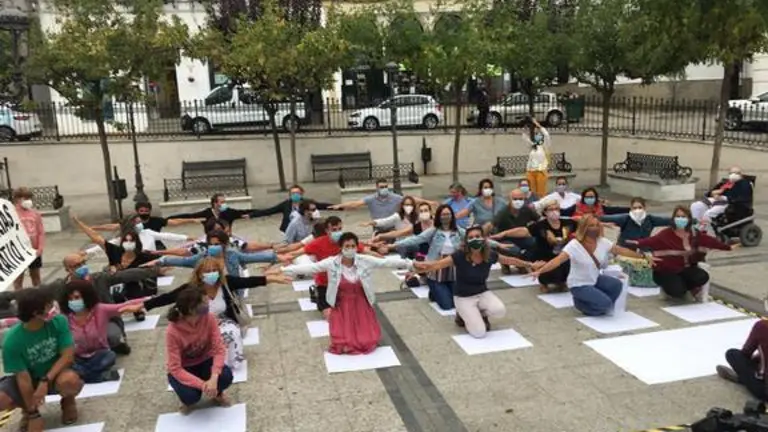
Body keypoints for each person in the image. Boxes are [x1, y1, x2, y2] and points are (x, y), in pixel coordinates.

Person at [277, 232, 413, 354]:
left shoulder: (364, 260)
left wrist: (410, 264)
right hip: (341, 303)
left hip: (361, 301)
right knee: (344, 341)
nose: (350, 249)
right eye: (347, 246)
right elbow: (311, 267)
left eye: (353, 246)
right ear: (340, 247)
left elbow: (386, 263)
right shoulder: (332, 262)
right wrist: (283, 270)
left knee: (366, 339)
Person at [143, 258, 288, 370]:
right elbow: (169, 297)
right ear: (199, 274)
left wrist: (272, 279)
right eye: (206, 271)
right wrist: (145, 305)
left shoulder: (226, 283)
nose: (211, 274)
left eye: (214, 270)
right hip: (200, 324)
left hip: (224, 321)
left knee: (230, 333)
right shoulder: (191, 289)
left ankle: (230, 363)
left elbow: (248, 281)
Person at [0, 252, 159, 355]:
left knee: (111, 336)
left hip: (104, 320)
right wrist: (8, 296)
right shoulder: (59, 286)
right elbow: (37, 291)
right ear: (68, 269)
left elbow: (125, 276)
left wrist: (152, 270)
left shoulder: (99, 279)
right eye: (77, 265)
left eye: (83, 262)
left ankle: (115, 344)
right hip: (73, 323)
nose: (83, 267)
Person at [415, 226, 534, 338]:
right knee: (479, 333)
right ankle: (461, 315)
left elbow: (509, 260)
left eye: (478, 236)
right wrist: (419, 267)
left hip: (482, 292)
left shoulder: (490, 255)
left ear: (483, 239)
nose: (475, 239)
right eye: (471, 237)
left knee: (499, 311)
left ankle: (482, 314)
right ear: (466, 241)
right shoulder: (459, 256)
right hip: (463, 297)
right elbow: (437, 265)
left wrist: (530, 264)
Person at [530, 215, 650, 316]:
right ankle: (582, 304)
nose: (595, 228)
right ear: (584, 228)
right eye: (591, 226)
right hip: (579, 284)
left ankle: (595, 300)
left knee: (617, 285)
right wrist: (540, 271)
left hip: (594, 278)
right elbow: (558, 260)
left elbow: (620, 250)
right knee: (606, 305)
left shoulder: (602, 242)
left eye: (597, 225)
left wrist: (643, 257)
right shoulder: (574, 245)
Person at [0, 288, 84, 431]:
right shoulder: (11, 341)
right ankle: (27, 410)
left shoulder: (59, 322)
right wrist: (33, 414)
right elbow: (23, 378)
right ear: (36, 313)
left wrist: (45, 381)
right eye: (49, 306)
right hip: (30, 377)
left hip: (57, 373)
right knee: (2, 399)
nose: (53, 308)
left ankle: (68, 401)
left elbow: (67, 356)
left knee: (69, 381)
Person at [629, 206, 735, 300]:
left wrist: (728, 247)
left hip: (686, 269)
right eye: (678, 216)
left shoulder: (694, 234)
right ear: (674, 219)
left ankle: (685, 288)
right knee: (678, 291)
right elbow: (650, 241)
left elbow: (710, 241)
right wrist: (634, 243)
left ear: (689, 219)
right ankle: (675, 289)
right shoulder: (666, 234)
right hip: (665, 270)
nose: (680, 219)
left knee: (702, 276)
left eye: (683, 217)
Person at [60, 280, 144, 383]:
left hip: (99, 354)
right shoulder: (64, 317)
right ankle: (96, 376)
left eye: (77, 297)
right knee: (67, 362)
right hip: (77, 357)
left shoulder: (100, 309)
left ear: (86, 296)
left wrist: (149, 300)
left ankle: (84, 376)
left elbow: (123, 306)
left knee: (110, 356)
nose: (73, 301)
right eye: (70, 299)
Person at [166, 288, 233, 413]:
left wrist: (213, 378)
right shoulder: (172, 331)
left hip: (205, 360)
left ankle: (217, 393)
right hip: (185, 368)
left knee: (225, 377)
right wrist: (203, 385)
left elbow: (219, 349)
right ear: (191, 309)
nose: (208, 303)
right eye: (204, 302)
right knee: (190, 397)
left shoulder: (209, 318)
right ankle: (187, 400)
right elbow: (175, 368)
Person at [284, 217, 367, 316]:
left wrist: (381, 253)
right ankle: (317, 293)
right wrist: (282, 259)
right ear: (327, 231)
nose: (338, 232)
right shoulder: (318, 243)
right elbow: (297, 253)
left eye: (340, 229)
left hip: (344, 283)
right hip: (324, 284)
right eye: (334, 230)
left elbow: (365, 250)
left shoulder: (347, 241)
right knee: (329, 315)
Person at [390, 205, 464, 310]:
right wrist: (393, 245)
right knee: (447, 305)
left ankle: (442, 290)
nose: (446, 216)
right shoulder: (434, 230)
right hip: (435, 269)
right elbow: (416, 239)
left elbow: (480, 240)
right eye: (443, 214)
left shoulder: (459, 231)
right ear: (438, 216)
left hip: (453, 269)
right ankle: (433, 289)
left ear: (452, 215)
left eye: (448, 214)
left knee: (457, 304)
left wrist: (495, 245)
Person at [493, 200, 575, 291]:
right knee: (547, 270)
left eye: (556, 209)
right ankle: (544, 283)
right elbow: (523, 231)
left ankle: (562, 282)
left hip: (562, 256)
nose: (554, 211)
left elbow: (582, 224)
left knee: (566, 265)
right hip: (544, 257)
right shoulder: (540, 225)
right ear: (545, 212)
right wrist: (504, 233)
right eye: (550, 209)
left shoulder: (568, 223)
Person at [152, 230, 286, 277]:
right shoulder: (202, 257)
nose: (213, 247)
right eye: (211, 244)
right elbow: (182, 261)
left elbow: (255, 257)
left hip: (232, 295)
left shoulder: (233, 255)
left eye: (217, 244)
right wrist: (161, 261)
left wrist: (276, 256)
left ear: (225, 244)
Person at [90, 202, 202, 250]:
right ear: (137, 212)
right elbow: (112, 227)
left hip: (156, 243)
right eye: (141, 211)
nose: (144, 213)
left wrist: (191, 220)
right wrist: (94, 228)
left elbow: (173, 225)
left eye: (146, 211)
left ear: (150, 211)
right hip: (135, 243)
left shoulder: (155, 222)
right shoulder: (132, 222)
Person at [250, 184, 338, 233]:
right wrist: (252, 215)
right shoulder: (286, 204)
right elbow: (270, 211)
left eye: (297, 193)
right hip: (288, 230)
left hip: (305, 231)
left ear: (302, 193)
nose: (295, 195)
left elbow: (322, 206)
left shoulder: (307, 203)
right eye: (292, 193)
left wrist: (339, 207)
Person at [716, 320, 768, 400]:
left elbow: (746, 352)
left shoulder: (762, 325)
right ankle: (746, 378)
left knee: (732, 354)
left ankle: (742, 378)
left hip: (764, 390)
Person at [691, 166, 753, 230]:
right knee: (696, 206)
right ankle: (696, 226)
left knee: (708, 214)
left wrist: (724, 198)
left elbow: (743, 198)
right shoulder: (727, 182)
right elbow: (715, 191)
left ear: (741, 175)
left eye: (736, 173)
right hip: (717, 200)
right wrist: (714, 194)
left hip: (731, 204)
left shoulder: (745, 184)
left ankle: (702, 231)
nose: (733, 175)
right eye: (731, 173)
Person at [328, 179, 404, 230]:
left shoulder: (396, 197)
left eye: (386, 187)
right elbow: (355, 204)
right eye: (381, 187)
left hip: (393, 227)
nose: (384, 189)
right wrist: (340, 205)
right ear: (377, 188)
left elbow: (409, 201)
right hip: (378, 227)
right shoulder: (371, 199)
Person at [600, 197, 672, 248]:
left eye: (640, 207)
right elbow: (604, 218)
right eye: (634, 208)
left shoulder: (650, 219)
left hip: (643, 251)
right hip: (625, 251)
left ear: (644, 208)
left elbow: (667, 220)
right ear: (631, 209)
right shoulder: (625, 218)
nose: (637, 210)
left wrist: (680, 220)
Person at [13, 187, 45, 290]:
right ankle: (19, 299)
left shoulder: (35, 213)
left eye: (29, 198)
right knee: (18, 278)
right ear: (17, 199)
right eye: (25, 198)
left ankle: (38, 298)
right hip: (18, 251)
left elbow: (40, 232)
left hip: (34, 250)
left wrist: (40, 247)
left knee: (36, 277)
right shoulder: (12, 213)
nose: (28, 200)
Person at [168, 193, 254, 228]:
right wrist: (168, 218)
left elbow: (245, 211)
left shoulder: (229, 212)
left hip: (227, 240)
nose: (225, 204)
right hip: (211, 242)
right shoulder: (206, 214)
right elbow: (189, 216)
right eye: (222, 202)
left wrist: (261, 212)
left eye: (225, 202)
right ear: (215, 203)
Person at [523, 118, 551, 197]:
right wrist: (526, 128)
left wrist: (538, 125)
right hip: (530, 172)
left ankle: (541, 206)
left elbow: (546, 134)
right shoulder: (533, 145)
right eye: (536, 134)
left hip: (541, 171)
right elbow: (525, 138)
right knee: (532, 192)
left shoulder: (545, 145)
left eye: (538, 134)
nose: (537, 135)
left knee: (541, 192)